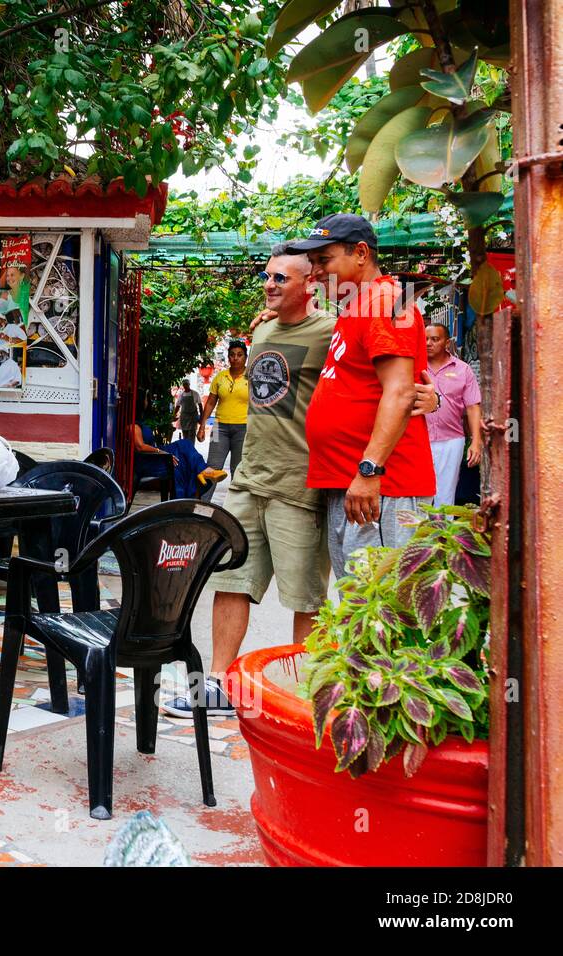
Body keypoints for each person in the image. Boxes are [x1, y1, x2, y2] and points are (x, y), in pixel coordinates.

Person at [161, 246, 442, 718]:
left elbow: (403, 372)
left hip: (302, 484)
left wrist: (430, 395)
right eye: (266, 276)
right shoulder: (264, 327)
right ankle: (218, 684)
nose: (269, 285)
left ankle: (302, 694)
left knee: (305, 596)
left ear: (310, 283)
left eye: (281, 279)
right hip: (249, 478)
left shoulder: (335, 327)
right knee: (232, 580)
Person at [292, 213, 436, 579]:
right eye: (312, 263)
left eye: (324, 260)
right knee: (358, 613)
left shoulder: (385, 301)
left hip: (381, 487)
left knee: (381, 612)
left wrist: (370, 470)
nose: (315, 272)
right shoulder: (358, 306)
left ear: (360, 253)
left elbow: (401, 392)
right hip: (353, 485)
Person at [425, 322, 483, 505]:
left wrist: (476, 440)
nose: (428, 343)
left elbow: (473, 406)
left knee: (445, 494)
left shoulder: (462, 369)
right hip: (418, 440)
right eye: (425, 339)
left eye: (435, 339)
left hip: (451, 440)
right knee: (420, 495)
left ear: (447, 343)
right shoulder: (414, 367)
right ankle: (421, 533)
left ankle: (442, 533)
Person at [132, 418, 226, 499]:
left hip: (154, 456)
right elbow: (140, 447)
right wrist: (162, 452)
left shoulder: (139, 423)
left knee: (184, 447)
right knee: (182, 456)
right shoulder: (133, 425)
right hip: (149, 461)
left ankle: (202, 471)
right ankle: (202, 471)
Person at [197, 340, 249, 475]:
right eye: (232, 355)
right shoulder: (220, 377)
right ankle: (202, 498)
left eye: (240, 355)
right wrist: (202, 426)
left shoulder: (252, 377)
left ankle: (235, 497)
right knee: (212, 469)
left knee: (238, 471)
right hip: (219, 428)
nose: (235, 358)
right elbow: (210, 403)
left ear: (245, 357)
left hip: (243, 428)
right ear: (228, 357)